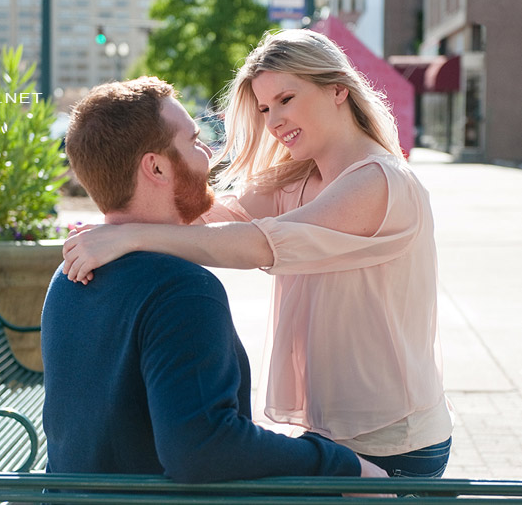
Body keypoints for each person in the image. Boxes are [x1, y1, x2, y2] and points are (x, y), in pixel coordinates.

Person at [61, 30, 453, 478]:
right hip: (330, 432)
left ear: (338, 89)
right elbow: (204, 220)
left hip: (394, 438)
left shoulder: (380, 182)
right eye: (265, 108)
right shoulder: (296, 179)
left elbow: (258, 244)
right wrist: (116, 219)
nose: (274, 120)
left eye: (286, 98)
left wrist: (128, 238)